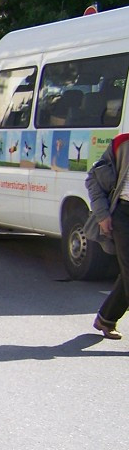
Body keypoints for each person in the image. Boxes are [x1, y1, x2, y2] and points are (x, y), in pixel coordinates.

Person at [86, 131, 129, 339]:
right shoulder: (122, 144)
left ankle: (106, 318)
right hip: (124, 215)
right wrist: (102, 215)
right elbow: (94, 179)